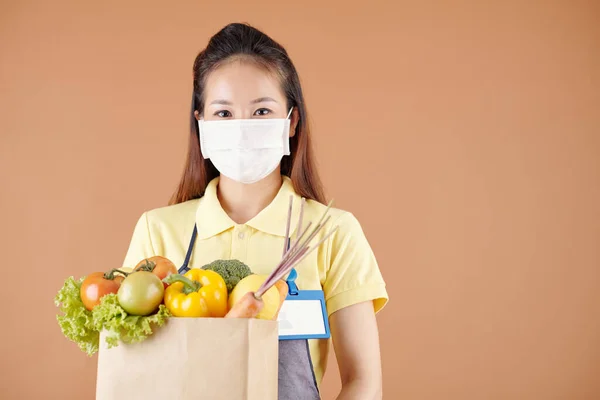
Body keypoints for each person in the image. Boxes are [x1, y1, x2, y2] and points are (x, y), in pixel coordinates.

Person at [122, 22, 388, 400]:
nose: (243, 128)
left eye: (262, 111)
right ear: (200, 124)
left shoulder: (332, 231)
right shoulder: (157, 230)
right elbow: (135, 368)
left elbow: (363, 381)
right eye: (224, 114)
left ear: (291, 121)